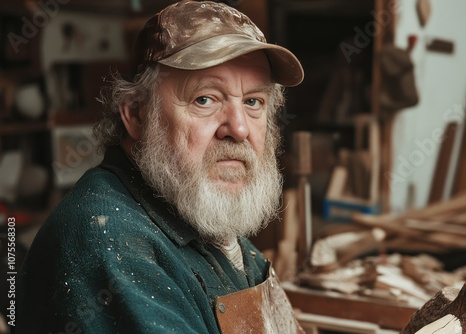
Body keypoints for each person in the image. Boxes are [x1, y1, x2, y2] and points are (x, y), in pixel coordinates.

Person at [17, 0, 304, 332]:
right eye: (205, 99)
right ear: (137, 114)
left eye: (253, 102)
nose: (239, 128)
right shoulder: (108, 241)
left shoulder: (201, 217)